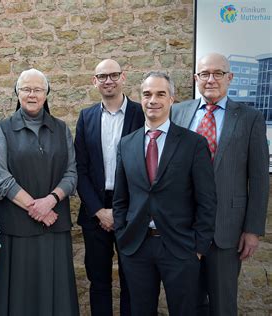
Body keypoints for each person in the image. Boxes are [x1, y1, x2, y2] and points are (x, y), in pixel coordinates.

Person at [171, 53, 269, 316]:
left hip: (227, 230)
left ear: (230, 77)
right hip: (184, 228)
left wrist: (252, 229)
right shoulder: (178, 113)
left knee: (223, 304)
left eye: (218, 73)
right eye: (204, 74)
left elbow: (259, 178)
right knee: (187, 303)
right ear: (196, 79)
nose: (211, 79)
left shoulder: (250, 118)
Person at [113, 72, 216, 316]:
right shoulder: (126, 144)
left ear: (172, 99)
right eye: (147, 94)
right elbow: (120, 199)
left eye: (160, 94)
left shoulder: (193, 144)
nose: (153, 100)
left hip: (181, 248)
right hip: (137, 247)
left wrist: (199, 247)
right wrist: (122, 236)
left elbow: (207, 201)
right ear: (141, 99)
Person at [0, 69, 79, 316]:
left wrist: (50, 201)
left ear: (46, 93)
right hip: (16, 228)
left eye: (38, 89)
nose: (32, 94)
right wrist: (36, 208)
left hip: (54, 228)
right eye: (26, 89)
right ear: (17, 93)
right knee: (20, 298)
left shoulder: (61, 129)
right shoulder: (4, 129)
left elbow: (72, 174)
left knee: (55, 295)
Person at [74, 59, 144, 316]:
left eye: (113, 75)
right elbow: (79, 168)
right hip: (95, 210)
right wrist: (98, 210)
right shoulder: (86, 116)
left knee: (132, 281)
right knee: (99, 281)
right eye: (102, 76)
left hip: (132, 209)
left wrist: (121, 210)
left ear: (123, 77)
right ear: (95, 81)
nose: (108, 80)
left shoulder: (141, 113)